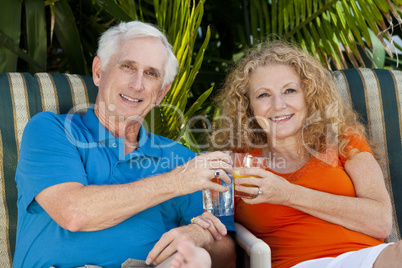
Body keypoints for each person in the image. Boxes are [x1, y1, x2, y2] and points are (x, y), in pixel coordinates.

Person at [13, 21, 236, 268]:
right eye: (127, 66)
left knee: (197, 257)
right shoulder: (51, 130)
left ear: (161, 92)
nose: (137, 84)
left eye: (151, 74)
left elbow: (227, 253)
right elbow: (74, 213)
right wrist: (176, 181)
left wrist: (200, 235)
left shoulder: (180, 158)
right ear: (99, 71)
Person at [193, 40, 402, 268]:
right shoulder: (238, 163)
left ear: (308, 95)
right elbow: (217, 233)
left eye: (290, 91)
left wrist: (288, 194)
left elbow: (381, 222)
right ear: (248, 106)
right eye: (263, 95)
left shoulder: (343, 140)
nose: (278, 104)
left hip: (370, 258)